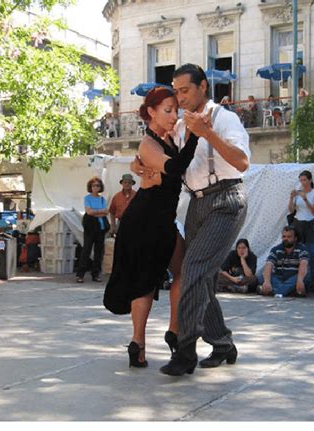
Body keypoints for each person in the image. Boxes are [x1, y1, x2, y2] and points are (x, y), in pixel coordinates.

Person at [157, 63, 250, 376]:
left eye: (185, 90)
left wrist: (207, 132)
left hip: (226, 199)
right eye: (177, 91)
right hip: (196, 203)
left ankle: (185, 351)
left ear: (203, 87)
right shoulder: (181, 126)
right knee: (204, 278)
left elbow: (242, 162)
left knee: (192, 270)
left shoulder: (225, 118)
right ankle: (223, 343)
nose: (180, 97)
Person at [103, 87, 200, 368]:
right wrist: (196, 136)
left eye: (176, 110)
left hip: (155, 219)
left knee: (152, 280)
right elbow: (176, 167)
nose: (174, 116)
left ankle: (140, 344)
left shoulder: (165, 138)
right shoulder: (148, 144)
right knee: (167, 275)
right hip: (147, 219)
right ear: (151, 113)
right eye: (167, 110)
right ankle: (171, 332)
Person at [288, 170, 314, 293]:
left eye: (304, 180)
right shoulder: (298, 193)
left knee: (313, 254)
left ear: (310, 180)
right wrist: (291, 197)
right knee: (296, 252)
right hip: (298, 223)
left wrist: (306, 199)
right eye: (301, 180)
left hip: (309, 224)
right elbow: (291, 210)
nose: (302, 183)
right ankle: (299, 282)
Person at [259, 225, 309, 297]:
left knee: (304, 276)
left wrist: (300, 280)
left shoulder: (302, 249)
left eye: (289, 237)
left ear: (295, 238)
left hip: (295, 278)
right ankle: (286, 291)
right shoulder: (276, 249)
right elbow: (269, 264)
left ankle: (274, 291)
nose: (286, 239)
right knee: (263, 274)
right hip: (280, 278)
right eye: (284, 236)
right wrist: (267, 281)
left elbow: (303, 264)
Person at [76, 177, 109, 283]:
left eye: (98, 185)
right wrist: (99, 211)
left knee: (98, 252)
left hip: (100, 226)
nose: (96, 187)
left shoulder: (102, 199)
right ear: (90, 187)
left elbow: (106, 212)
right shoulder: (87, 198)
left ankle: (96, 274)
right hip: (90, 226)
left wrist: (96, 212)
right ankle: (80, 274)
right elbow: (89, 212)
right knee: (86, 249)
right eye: (94, 185)